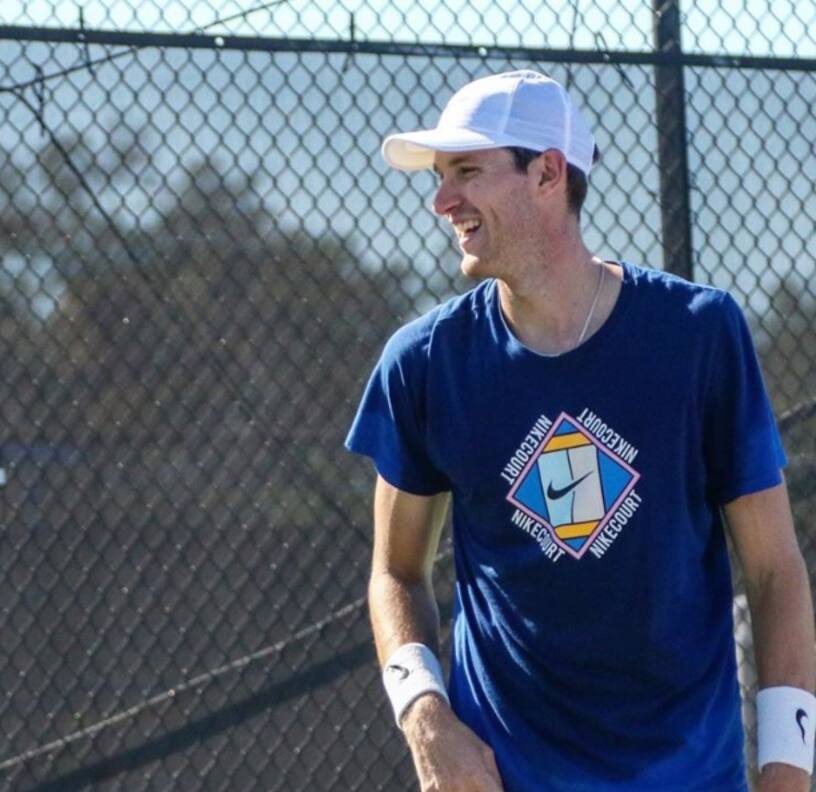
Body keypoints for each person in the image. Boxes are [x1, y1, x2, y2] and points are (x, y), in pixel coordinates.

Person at [345, 70, 816, 791]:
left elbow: (777, 573)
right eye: (440, 178)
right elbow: (395, 572)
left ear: (548, 173)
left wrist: (789, 770)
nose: (443, 202)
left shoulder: (699, 334)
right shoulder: (425, 363)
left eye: (467, 172)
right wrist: (426, 720)